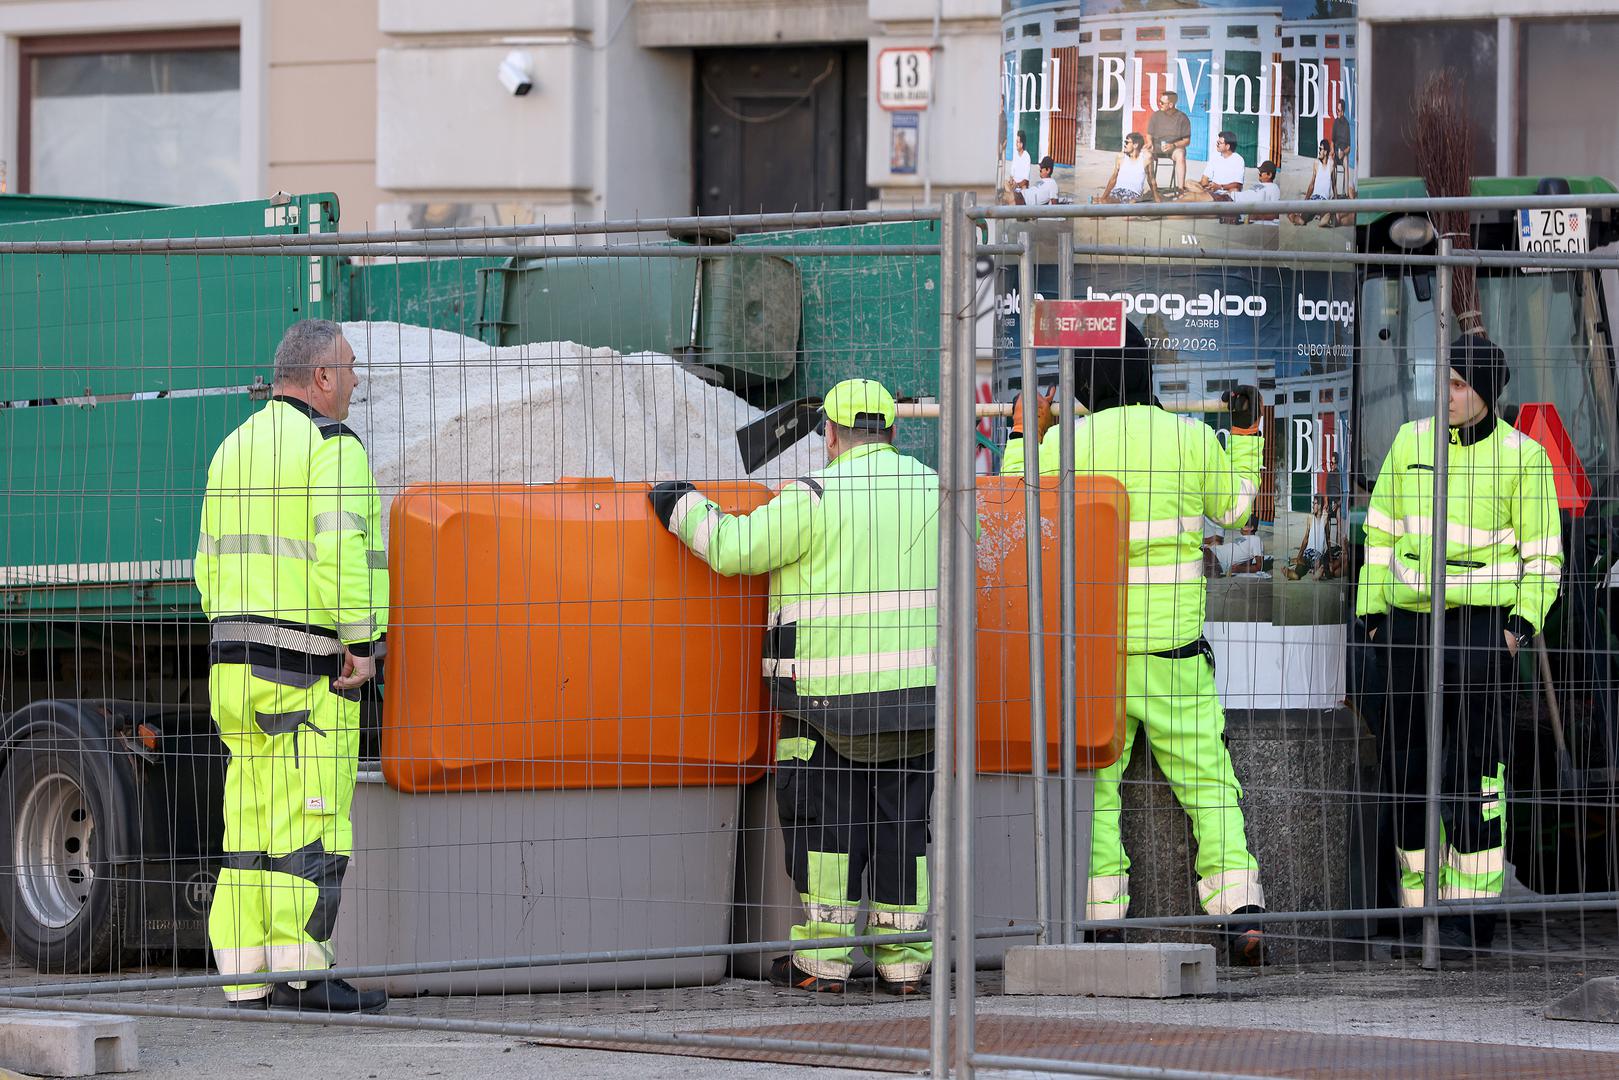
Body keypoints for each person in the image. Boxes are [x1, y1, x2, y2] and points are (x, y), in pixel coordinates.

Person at [650, 379, 944, 996]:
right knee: (903, 830)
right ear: (893, 433)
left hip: (824, 707)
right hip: (917, 704)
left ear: (831, 435)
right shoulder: (936, 491)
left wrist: (678, 504)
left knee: (827, 831)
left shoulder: (811, 497)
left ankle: (824, 962)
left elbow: (732, 549)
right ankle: (907, 962)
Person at [1004, 322, 1269, 965]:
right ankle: (1239, 910)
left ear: (1085, 382)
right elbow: (1237, 510)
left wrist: (1023, 432)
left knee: (1097, 787)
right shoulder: (1187, 437)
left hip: (1097, 654)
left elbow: (1015, 501)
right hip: (1175, 649)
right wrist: (1246, 438)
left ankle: (1101, 918)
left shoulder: (1068, 442)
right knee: (1209, 780)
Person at [195, 319, 389, 1013]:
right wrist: (360, 645)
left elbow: (206, 566)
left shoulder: (232, 447)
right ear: (322, 378)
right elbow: (343, 555)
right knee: (311, 819)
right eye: (351, 367)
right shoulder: (329, 446)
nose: (358, 380)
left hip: (233, 666)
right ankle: (306, 976)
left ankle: (247, 980)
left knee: (249, 827)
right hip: (307, 666)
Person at [1358, 334, 1563, 958]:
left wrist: (1515, 631)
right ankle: (1417, 916)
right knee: (1409, 771)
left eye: (1458, 383)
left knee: (1473, 779)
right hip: (1407, 632)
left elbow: (1545, 558)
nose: (1445, 393)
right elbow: (1379, 535)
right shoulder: (1410, 443)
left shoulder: (1524, 458)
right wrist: (1371, 617)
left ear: (1485, 389)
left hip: (1480, 634)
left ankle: (1469, 923)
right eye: (1442, 380)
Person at [1146, 90, 1192, 194]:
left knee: (1180, 155)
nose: (1159, 104)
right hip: (1157, 146)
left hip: (1174, 148)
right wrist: (1149, 142)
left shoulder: (1182, 118)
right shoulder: (1156, 115)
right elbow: (1149, 134)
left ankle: (1181, 189)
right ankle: (1153, 187)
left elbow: (1187, 141)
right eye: (1159, 101)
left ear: (1171, 105)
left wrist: (1173, 145)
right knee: (1146, 155)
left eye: (1162, 102)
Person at [1185, 131, 1246, 203]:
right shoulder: (1215, 157)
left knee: (1235, 191)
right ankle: (1205, 196)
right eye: (1217, 142)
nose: (1217, 145)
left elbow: (1238, 184)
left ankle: (1205, 198)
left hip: (1226, 192)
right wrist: (1206, 185)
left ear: (1227, 146)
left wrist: (1219, 187)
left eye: (1219, 143)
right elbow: (1205, 178)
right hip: (1212, 190)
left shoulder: (1238, 160)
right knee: (1188, 182)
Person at [1284, 496, 1331, 580]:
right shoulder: (1310, 518)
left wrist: (1330, 558)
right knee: (1301, 567)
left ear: (1320, 505)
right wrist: (1299, 556)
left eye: (1315, 503)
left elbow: (1328, 539)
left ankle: (1317, 571)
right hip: (1308, 552)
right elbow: (1306, 538)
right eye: (1313, 503)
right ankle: (1297, 574)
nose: (1313, 506)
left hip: (1318, 554)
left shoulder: (1325, 518)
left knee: (1319, 563)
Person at [1099, 134, 1155, 204]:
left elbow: (1151, 180)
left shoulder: (1145, 159)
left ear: (1135, 145)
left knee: (1129, 203)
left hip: (1133, 195)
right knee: (1106, 201)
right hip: (1117, 192)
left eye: (1127, 143)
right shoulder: (1121, 157)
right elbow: (1113, 178)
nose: (1124, 145)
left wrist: (1157, 199)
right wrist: (1103, 197)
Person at [1008, 130, 1033, 197]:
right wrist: (1011, 181)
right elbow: (1012, 173)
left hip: (1022, 187)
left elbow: (1025, 180)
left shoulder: (1027, 156)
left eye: (1017, 142)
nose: (1016, 144)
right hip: (1014, 185)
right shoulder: (1015, 155)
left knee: (1023, 188)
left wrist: (1017, 185)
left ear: (1021, 144)